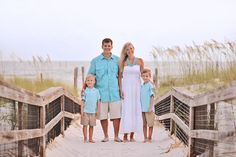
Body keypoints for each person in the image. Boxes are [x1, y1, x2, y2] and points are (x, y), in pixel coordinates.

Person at [87, 38, 123, 142]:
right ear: (102, 46)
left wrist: (121, 89)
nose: (107, 47)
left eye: (109, 46)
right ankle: (106, 136)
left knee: (116, 116)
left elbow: (120, 76)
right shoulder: (95, 61)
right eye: (105, 46)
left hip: (114, 92)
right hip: (101, 93)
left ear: (112, 46)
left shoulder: (117, 60)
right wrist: (84, 88)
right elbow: (90, 76)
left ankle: (116, 136)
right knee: (103, 116)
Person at [118, 42, 144, 142]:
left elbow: (143, 75)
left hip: (137, 89)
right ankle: (125, 135)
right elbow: (120, 78)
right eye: (127, 49)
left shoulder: (140, 61)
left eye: (131, 48)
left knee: (135, 110)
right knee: (127, 110)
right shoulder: (122, 62)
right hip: (126, 88)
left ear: (134, 48)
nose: (130, 50)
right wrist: (121, 90)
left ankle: (132, 135)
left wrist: (149, 84)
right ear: (125, 51)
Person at [81, 74, 101, 143]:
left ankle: (90, 138)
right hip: (85, 111)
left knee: (91, 126)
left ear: (94, 82)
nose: (90, 82)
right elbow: (83, 101)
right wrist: (81, 110)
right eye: (88, 80)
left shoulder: (97, 91)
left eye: (91, 80)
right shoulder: (84, 91)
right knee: (85, 125)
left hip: (93, 112)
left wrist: (98, 110)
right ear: (86, 82)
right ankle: (85, 138)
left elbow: (98, 101)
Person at [140, 69, 155, 143]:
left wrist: (150, 107)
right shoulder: (142, 86)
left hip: (149, 109)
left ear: (150, 77)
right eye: (143, 76)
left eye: (147, 76)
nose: (145, 77)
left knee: (150, 124)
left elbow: (152, 96)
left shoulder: (150, 85)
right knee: (144, 124)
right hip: (142, 109)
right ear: (141, 76)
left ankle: (150, 137)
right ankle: (145, 138)